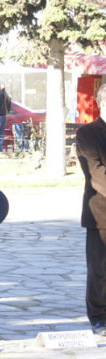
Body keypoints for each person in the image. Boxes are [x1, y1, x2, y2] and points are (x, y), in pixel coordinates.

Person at [76, 83, 106, 336]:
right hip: (101, 213)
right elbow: (96, 173)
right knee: (100, 270)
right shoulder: (88, 133)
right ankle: (99, 317)